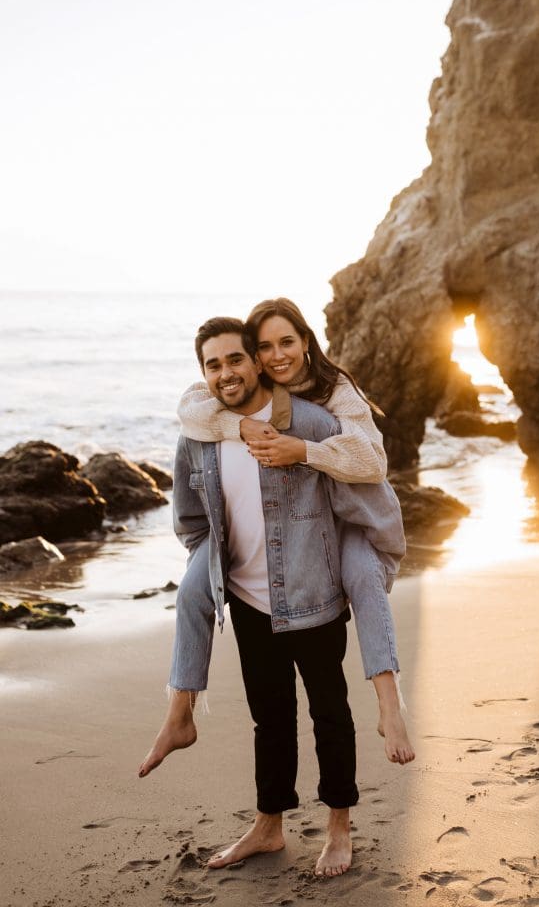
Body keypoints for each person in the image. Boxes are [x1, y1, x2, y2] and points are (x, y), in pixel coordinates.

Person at [139, 317, 406, 876]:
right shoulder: (200, 435)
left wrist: (354, 559)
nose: (226, 372)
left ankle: (338, 828)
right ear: (203, 374)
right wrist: (214, 571)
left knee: (330, 714)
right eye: (213, 364)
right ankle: (268, 826)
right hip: (248, 598)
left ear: (256, 363)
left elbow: (360, 497)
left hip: (315, 596)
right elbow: (190, 519)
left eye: (236, 359)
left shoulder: (312, 423)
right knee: (270, 718)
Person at [176, 297, 414, 764]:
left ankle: (391, 705)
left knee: (364, 580)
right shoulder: (249, 385)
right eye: (264, 347)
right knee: (192, 592)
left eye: (287, 341)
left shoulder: (335, 390)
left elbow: (374, 461)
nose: (277, 355)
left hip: (349, 517)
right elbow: (190, 408)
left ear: (306, 342)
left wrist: (303, 450)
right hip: (306, 525)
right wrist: (240, 424)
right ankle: (178, 708)